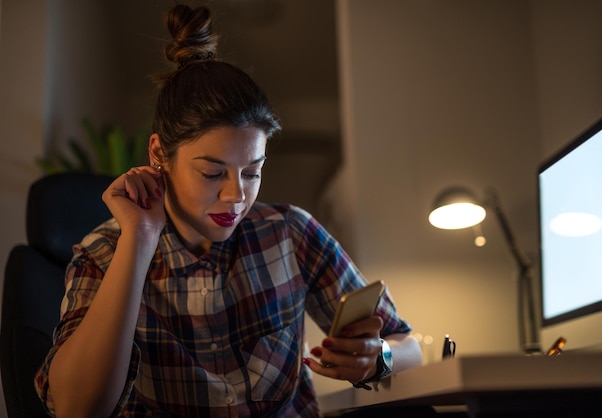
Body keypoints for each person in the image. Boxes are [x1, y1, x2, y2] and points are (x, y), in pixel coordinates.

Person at [34, 4, 421, 417]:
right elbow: (76, 408)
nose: (236, 196)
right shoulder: (103, 254)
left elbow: (408, 346)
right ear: (158, 154)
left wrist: (378, 357)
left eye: (252, 172)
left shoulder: (290, 232)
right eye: (212, 173)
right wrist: (140, 240)